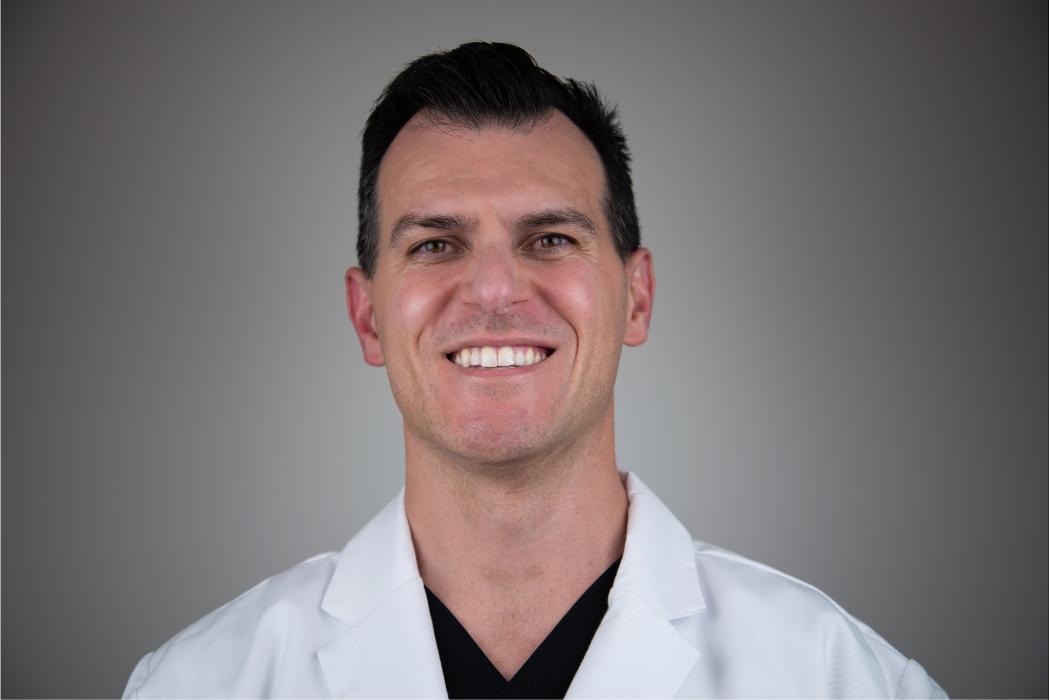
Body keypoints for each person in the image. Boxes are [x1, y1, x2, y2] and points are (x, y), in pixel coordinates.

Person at [123, 42, 946, 699]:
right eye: (435, 244)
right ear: (368, 315)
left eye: (550, 239)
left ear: (636, 297)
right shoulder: (202, 683)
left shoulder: (839, 678)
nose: (493, 290)